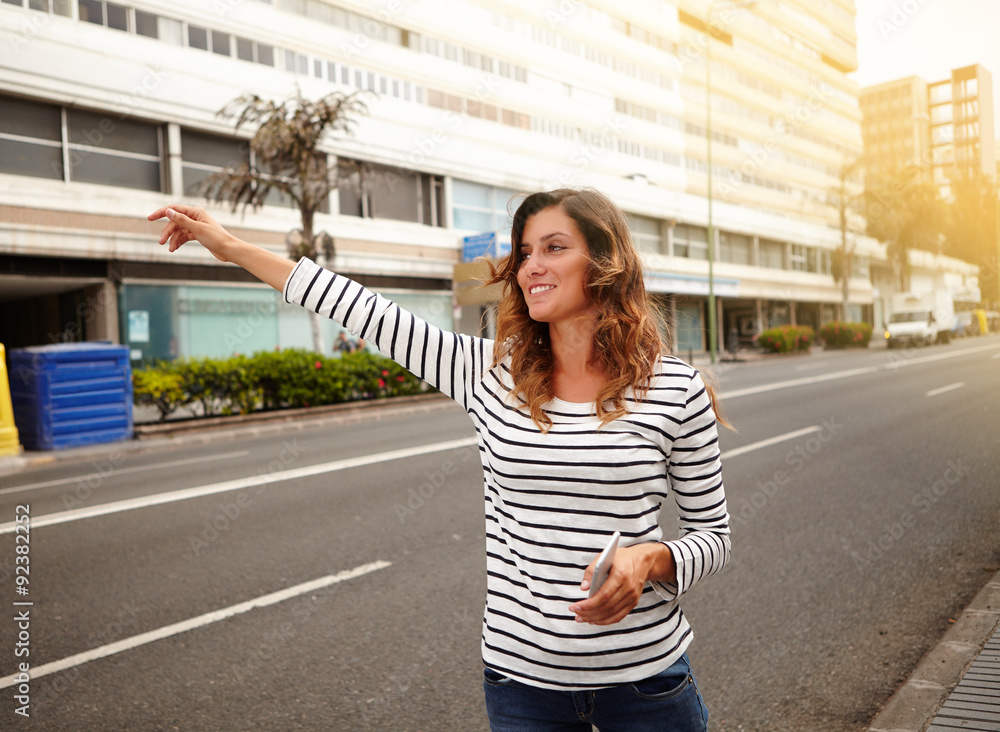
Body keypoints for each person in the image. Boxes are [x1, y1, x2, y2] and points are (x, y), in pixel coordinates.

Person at [148, 188, 730, 732]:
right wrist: (228, 247)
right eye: (525, 252)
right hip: (522, 682)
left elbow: (714, 537)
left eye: (554, 248)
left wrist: (650, 560)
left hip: (647, 680)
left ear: (606, 264)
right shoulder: (487, 375)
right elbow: (363, 310)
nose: (531, 266)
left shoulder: (675, 389)